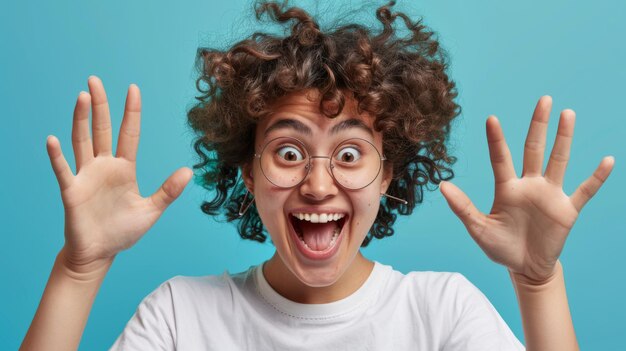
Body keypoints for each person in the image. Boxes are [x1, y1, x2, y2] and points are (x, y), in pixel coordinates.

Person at [21, 1, 614, 350]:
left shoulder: (442, 313)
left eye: (351, 154)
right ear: (246, 174)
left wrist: (539, 285)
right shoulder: (180, 317)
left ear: (390, 175)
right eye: (287, 152)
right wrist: (80, 270)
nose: (319, 184)